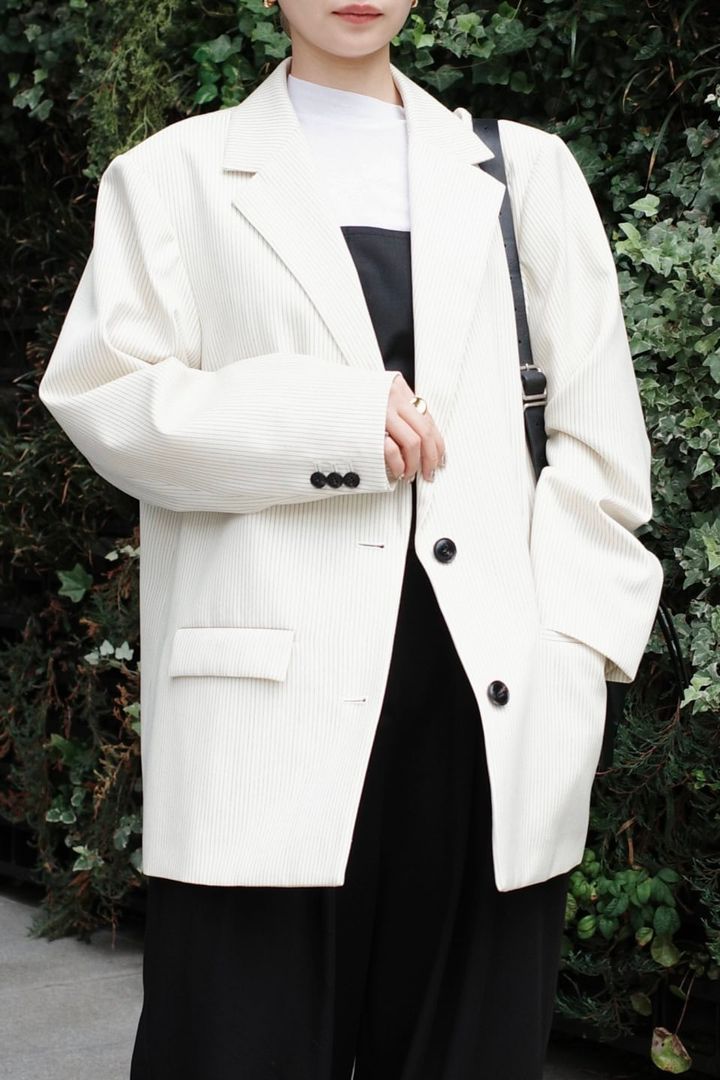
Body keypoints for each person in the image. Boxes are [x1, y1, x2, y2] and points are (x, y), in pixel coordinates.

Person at [38, 1, 664, 1077]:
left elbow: (602, 451)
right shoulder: (174, 175)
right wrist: (331, 423)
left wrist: (575, 657)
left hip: (490, 715)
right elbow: (105, 399)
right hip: (261, 719)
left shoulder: (529, 174)